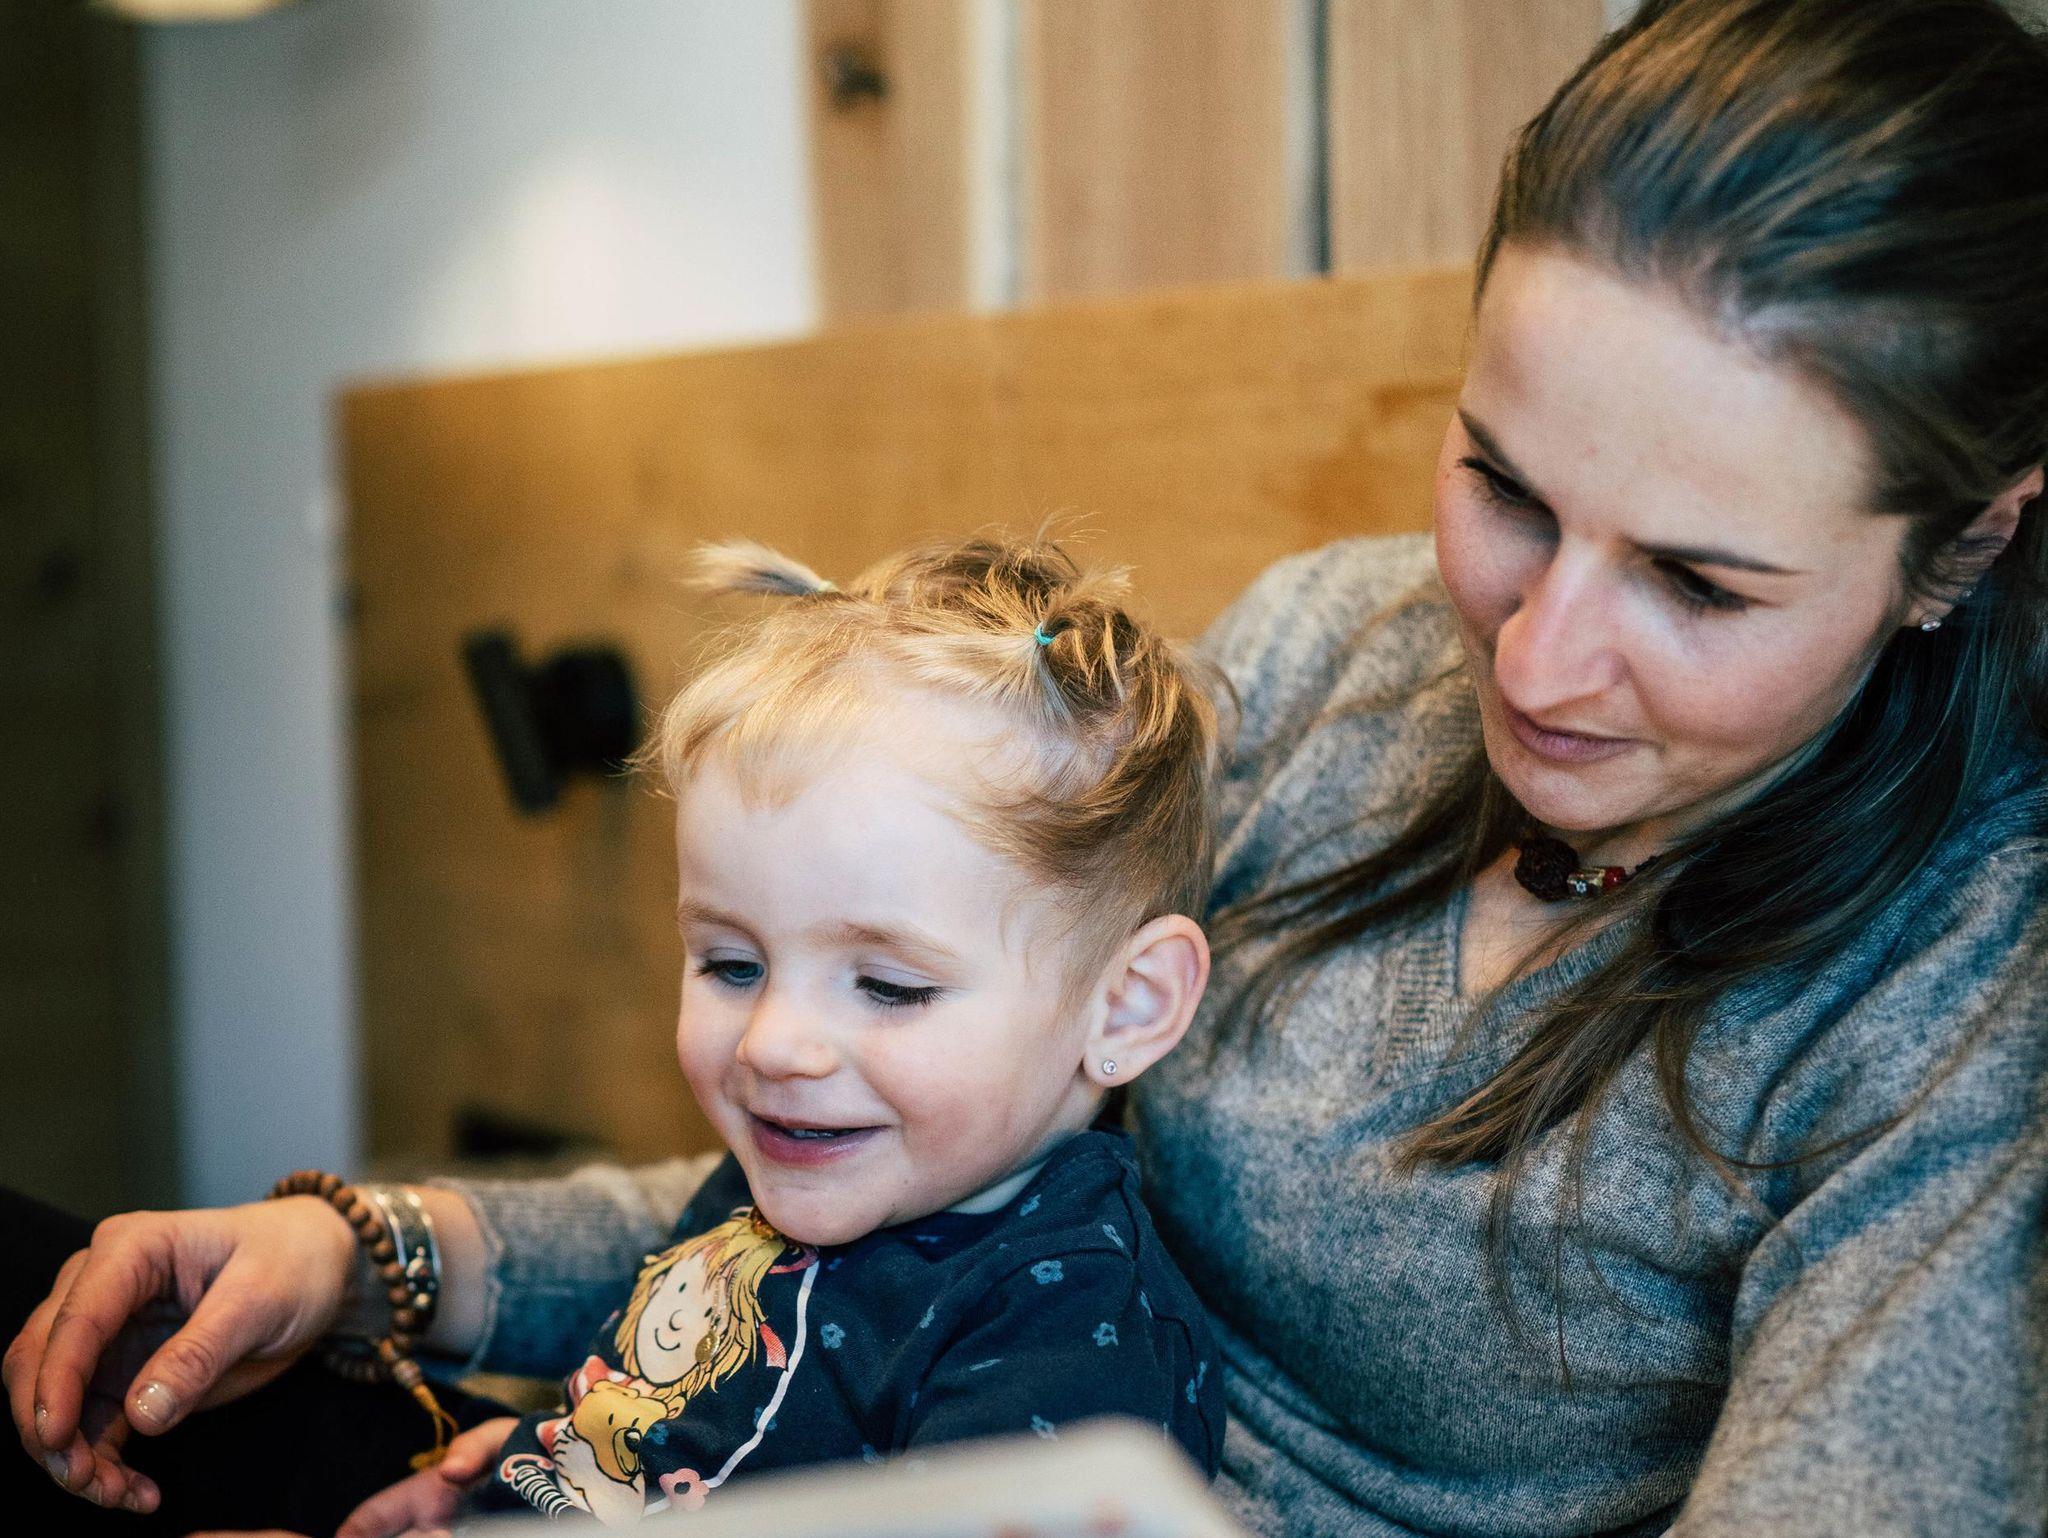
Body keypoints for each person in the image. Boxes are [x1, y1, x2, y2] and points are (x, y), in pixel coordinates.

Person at [8, 0, 2047, 1533]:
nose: (1531, 653)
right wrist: (383, 1255)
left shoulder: (1965, 1001)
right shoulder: (1330, 655)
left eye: (1694, 581)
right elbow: (880, 1152)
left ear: (1963, 540)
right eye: (1503, 486)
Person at [352, 535, 1227, 1532]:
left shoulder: (1073, 1343)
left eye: (888, 986)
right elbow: (669, 1428)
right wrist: (531, 1456)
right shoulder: (802, 1156)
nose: (769, 1043)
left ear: (1126, 1006)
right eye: (732, 965)